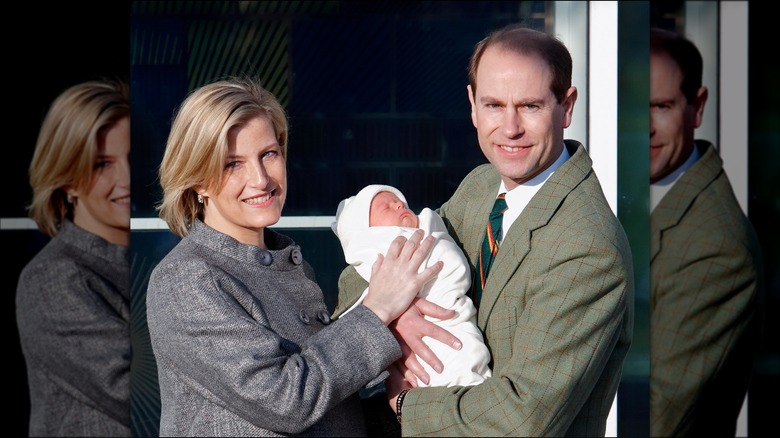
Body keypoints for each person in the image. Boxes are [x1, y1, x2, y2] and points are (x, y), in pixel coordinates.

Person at [336, 24, 635, 436]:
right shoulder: (481, 186)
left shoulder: (586, 246)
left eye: (529, 106)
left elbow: (522, 418)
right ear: (472, 104)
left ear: (566, 107)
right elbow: (370, 262)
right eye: (494, 105)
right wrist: (393, 316)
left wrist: (404, 404)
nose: (509, 129)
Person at [145, 76, 443, 436]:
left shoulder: (288, 264)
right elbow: (287, 400)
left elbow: (328, 405)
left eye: (268, 154)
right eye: (232, 164)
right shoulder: (187, 280)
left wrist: (400, 397)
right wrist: (378, 312)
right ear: (198, 181)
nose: (260, 179)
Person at [649, 28, 764, 436]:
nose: (642, 127)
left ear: (696, 108)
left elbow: (656, 416)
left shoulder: (716, 248)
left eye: (660, 106)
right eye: (629, 106)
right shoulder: (618, 187)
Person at [15, 79, 131, 436]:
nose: (126, 178)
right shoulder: (54, 279)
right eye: (102, 165)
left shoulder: (156, 261)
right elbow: (141, 397)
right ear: (67, 179)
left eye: (134, 157)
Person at [332, 184, 492, 388]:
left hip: (455, 317)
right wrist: (392, 316)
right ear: (367, 232)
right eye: (386, 207)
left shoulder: (436, 227)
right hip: (433, 339)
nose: (398, 205)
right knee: (451, 366)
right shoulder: (379, 252)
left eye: (399, 202)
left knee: (469, 357)